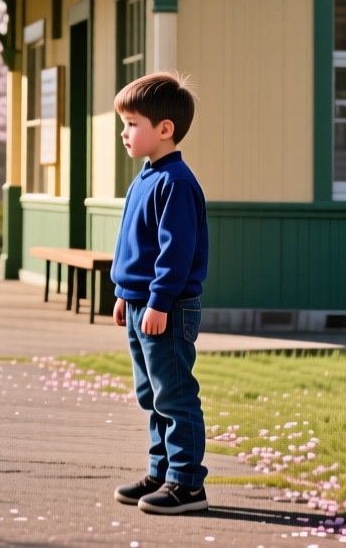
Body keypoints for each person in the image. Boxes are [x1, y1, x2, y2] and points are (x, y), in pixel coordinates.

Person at [109, 70, 210, 515]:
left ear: (164, 129)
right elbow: (135, 245)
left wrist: (158, 301)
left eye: (132, 123)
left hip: (165, 307)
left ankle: (187, 485)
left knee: (174, 394)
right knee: (151, 393)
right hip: (140, 303)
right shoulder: (145, 178)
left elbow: (176, 252)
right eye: (124, 123)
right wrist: (124, 293)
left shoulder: (177, 183)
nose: (124, 132)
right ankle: (161, 471)